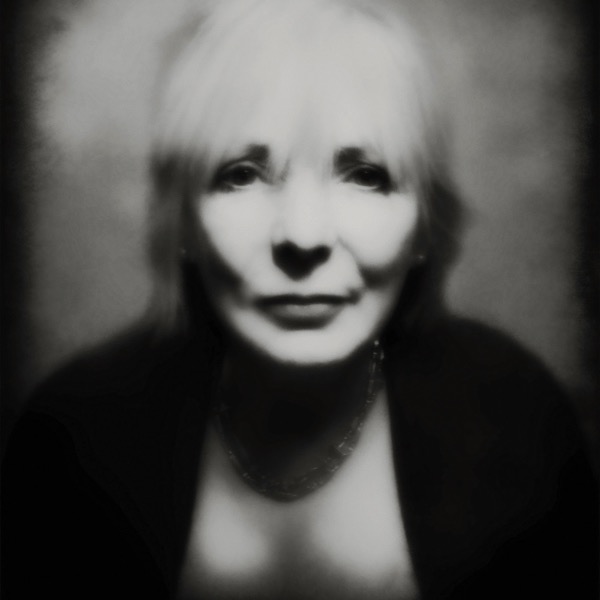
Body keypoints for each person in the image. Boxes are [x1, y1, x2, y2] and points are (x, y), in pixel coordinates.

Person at [2, 0, 597, 598]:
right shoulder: (70, 447)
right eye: (240, 174)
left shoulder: (523, 430)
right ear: (183, 223)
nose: (303, 234)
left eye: (365, 175)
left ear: (425, 226)